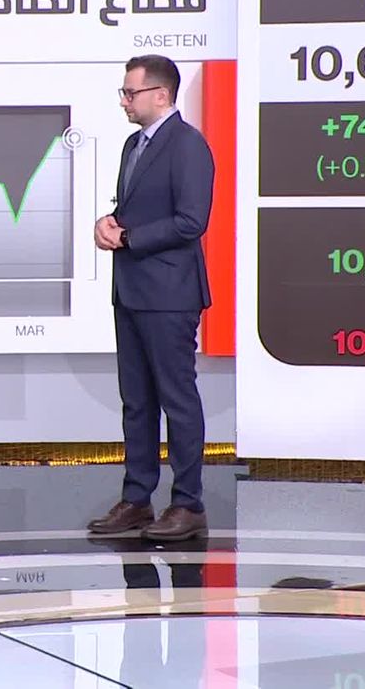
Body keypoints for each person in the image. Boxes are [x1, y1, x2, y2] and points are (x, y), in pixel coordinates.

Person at [88, 54, 214, 542]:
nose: (124, 101)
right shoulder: (132, 146)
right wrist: (109, 223)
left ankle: (188, 504)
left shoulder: (188, 146)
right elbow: (136, 209)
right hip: (131, 291)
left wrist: (129, 237)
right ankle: (137, 499)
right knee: (136, 402)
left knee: (176, 400)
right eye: (123, 92)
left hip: (169, 295)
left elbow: (191, 221)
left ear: (160, 95)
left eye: (130, 92)